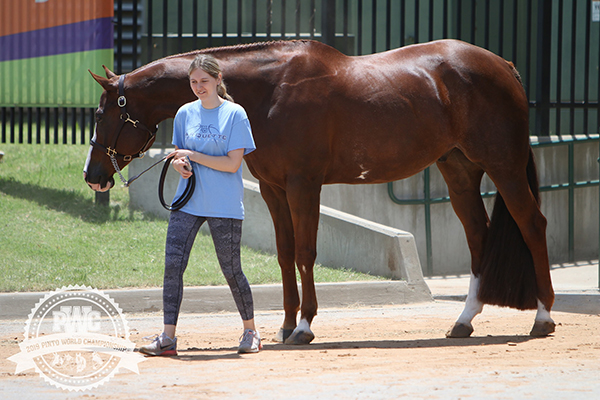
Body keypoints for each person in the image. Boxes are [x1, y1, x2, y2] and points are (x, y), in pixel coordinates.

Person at [140, 54, 260, 356]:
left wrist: (192, 155)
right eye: (193, 82)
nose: (198, 87)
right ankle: (168, 338)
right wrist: (181, 163)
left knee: (232, 270)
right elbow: (180, 153)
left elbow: (233, 164)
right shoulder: (184, 113)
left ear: (218, 80)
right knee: (173, 267)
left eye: (204, 81)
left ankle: (251, 332)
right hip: (187, 202)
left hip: (225, 205)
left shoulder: (235, 114)